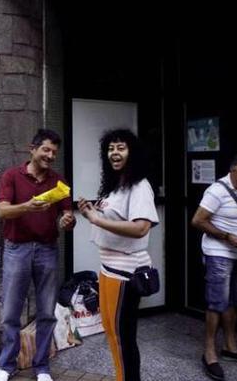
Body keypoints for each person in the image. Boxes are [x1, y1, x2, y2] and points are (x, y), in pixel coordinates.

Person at [0, 129, 75, 381]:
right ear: (33, 148)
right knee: (10, 313)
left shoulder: (58, 181)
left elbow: (66, 216)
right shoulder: (11, 176)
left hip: (47, 250)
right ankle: (6, 366)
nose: (50, 156)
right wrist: (27, 207)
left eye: (54, 153)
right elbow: (2, 212)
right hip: (17, 249)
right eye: (46, 150)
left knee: (47, 312)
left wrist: (68, 220)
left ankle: (42, 367)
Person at [78, 129, 158, 381]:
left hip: (125, 274)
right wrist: (94, 213)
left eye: (121, 147)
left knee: (122, 337)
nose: (114, 152)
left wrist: (96, 220)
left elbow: (141, 227)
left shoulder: (139, 186)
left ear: (132, 152)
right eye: (111, 148)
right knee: (112, 332)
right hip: (109, 269)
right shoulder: (117, 185)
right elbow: (114, 219)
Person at [191, 156, 237, 381]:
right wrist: (225, 236)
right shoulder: (216, 191)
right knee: (217, 302)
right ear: (232, 171)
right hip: (219, 254)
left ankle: (231, 347)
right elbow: (197, 220)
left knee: (234, 300)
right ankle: (210, 353)